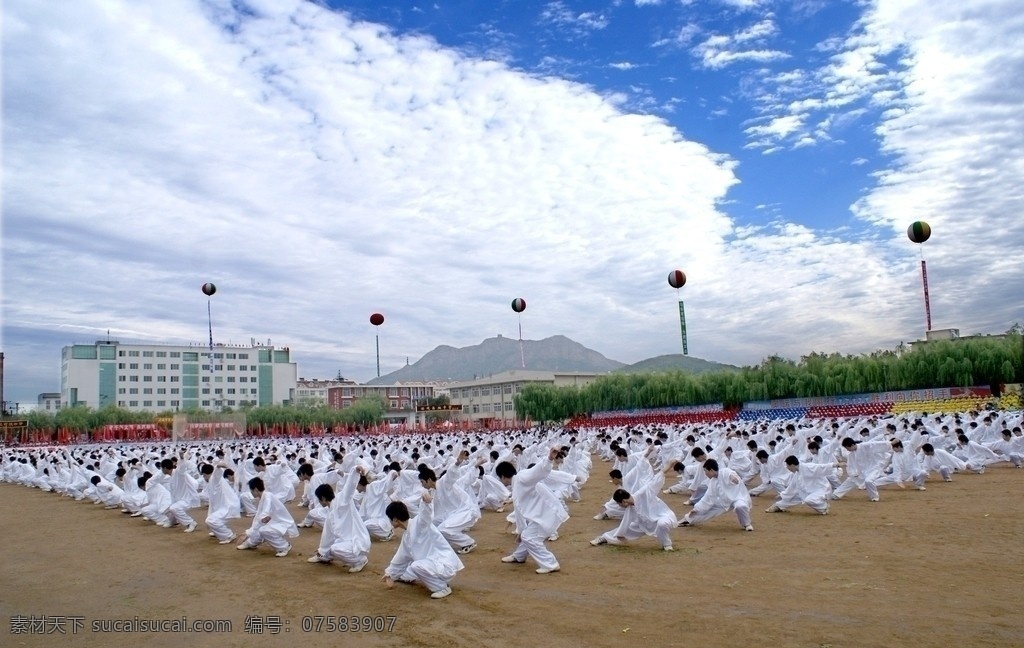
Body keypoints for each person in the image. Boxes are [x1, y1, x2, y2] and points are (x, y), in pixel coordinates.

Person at [499, 447, 569, 574]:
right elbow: (520, 502)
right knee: (527, 534)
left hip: (546, 513)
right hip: (540, 514)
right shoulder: (516, 484)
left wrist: (549, 458)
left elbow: (536, 471)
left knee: (529, 537)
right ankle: (519, 556)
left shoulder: (521, 477)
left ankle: (550, 564)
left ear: (503, 476)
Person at [382, 491, 464, 599]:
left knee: (416, 566)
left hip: (442, 564)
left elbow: (425, 516)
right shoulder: (407, 535)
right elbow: (401, 557)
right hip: (430, 565)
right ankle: (404, 576)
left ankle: (442, 588)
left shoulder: (419, 523)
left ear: (395, 519)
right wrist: (389, 574)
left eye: (389, 518)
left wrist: (427, 503)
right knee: (405, 572)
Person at [590, 458, 677, 551]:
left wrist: (669, 464)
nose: (620, 507)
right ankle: (604, 538)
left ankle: (667, 545)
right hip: (644, 524)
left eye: (619, 504)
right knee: (627, 529)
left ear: (624, 501)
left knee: (661, 524)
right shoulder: (629, 508)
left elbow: (658, 477)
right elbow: (624, 524)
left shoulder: (643, 493)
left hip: (663, 516)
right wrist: (620, 534)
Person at [307, 467, 372, 572]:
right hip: (347, 541)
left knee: (335, 549)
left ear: (323, 498)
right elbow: (327, 535)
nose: (319, 502)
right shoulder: (330, 511)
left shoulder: (342, 500)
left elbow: (349, 488)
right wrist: (322, 553)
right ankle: (324, 556)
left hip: (357, 540)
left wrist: (355, 471)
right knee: (331, 547)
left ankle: (360, 560)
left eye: (319, 499)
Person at [678, 459, 754, 531]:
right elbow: (707, 498)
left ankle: (746, 524)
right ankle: (687, 520)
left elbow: (732, 476)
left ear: (711, 470)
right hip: (723, 501)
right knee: (704, 511)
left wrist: (733, 478)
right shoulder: (712, 482)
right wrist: (696, 509)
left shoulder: (725, 472)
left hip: (737, 498)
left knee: (740, 506)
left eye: (706, 471)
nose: (705, 474)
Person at [236, 477, 299, 557]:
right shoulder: (264, 496)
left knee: (264, 529)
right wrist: (248, 532)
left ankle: (284, 546)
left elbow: (264, 515)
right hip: (274, 521)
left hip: (282, 523)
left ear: (255, 489)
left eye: (251, 490)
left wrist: (248, 533)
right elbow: (261, 518)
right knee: (260, 527)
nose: (251, 492)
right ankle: (250, 543)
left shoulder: (268, 497)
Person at [765, 456, 833, 515]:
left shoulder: (808, 467)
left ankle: (824, 506)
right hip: (808, 492)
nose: (788, 468)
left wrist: (835, 465)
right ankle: (778, 506)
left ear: (792, 465)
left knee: (808, 500)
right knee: (793, 497)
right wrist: (783, 495)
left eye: (788, 466)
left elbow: (821, 467)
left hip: (821, 489)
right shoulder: (796, 474)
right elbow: (791, 487)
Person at [201, 462, 241, 544]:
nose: (203, 477)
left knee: (210, 520)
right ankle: (218, 531)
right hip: (226, 506)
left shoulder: (214, 479)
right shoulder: (212, 481)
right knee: (212, 518)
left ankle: (229, 535)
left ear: (204, 474)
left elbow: (217, 473)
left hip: (229, 506)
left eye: (203, 475)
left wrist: (218, 466)